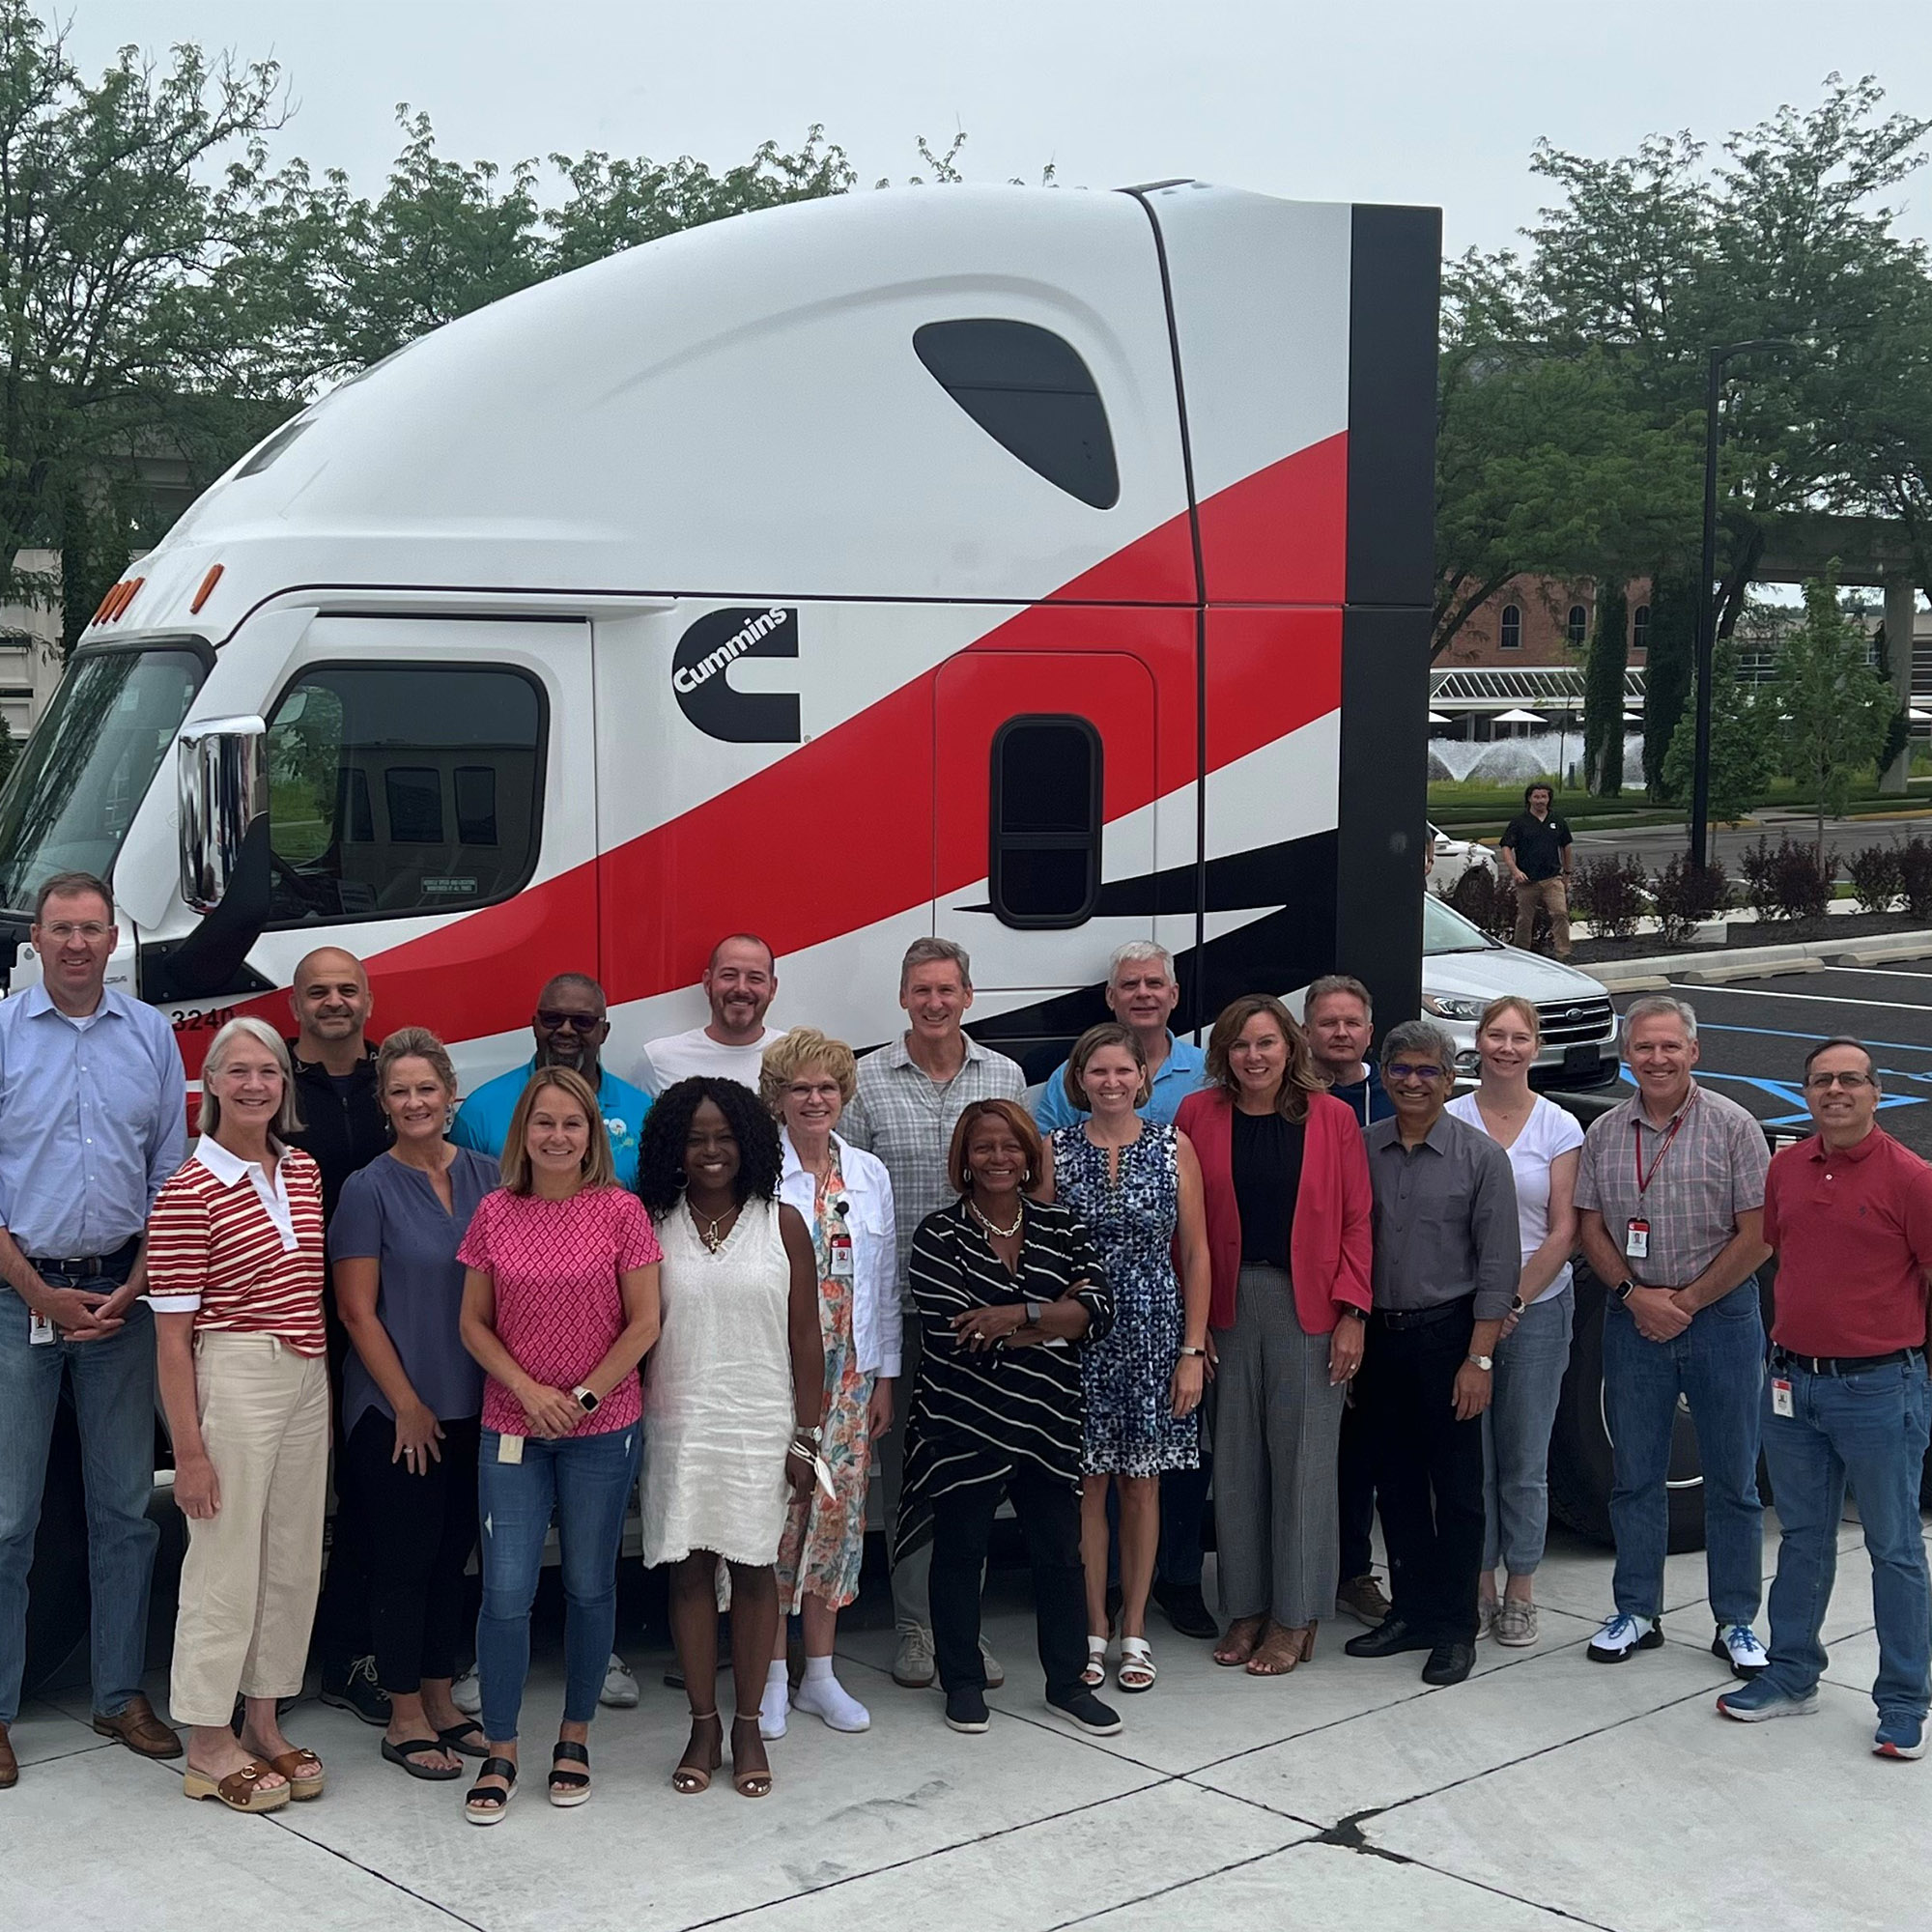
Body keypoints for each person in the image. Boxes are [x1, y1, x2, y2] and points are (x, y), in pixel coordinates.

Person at [0, 872, 187, 1791]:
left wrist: (137, 1285)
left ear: (116, 940)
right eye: (61, 929)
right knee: (7, 1519)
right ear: (35, 939)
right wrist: (36, 1290)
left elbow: (170, 1177)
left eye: (93, 929)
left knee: (123, 1513)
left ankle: (119, 1694)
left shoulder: (151, 1037)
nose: (78, 944)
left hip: (121, 1298)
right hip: (15, 1300)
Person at [455, 1067, 661, 1823]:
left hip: (600, 1428)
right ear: (523, 1132)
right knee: (506, 1591)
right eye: (543, 1122)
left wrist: (580, 1397)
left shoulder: (621, 1212)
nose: (557, 1136)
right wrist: (531, 1391)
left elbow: (643, 1323)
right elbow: (473, 1323)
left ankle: (575, 1734)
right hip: (512, 1425)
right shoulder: (493, 1213)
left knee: (588, 1583)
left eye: (572, 1123)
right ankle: (503, 1747)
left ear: (593, 1135)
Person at [1718, 1037, 1932, 1758]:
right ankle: (1791, 1675)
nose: (1834, 1092)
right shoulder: (1786, 1168)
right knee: (1804, 1538)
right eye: (1820, 1082)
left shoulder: (1912, 1179)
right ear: (1806, 1094)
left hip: (1880, 1390)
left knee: (1895, 1547)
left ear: (1876, 1092)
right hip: (1792, 1386)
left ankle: (1903, 1701)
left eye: (1849, 1080)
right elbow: (1778, 1250)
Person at [148, 1018, 331, 1814]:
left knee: (291, 1553)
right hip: (235, 1371)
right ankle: (205, 1741)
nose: (257, 1084)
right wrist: (189, 1451)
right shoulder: (186, 1192)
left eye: (270, 1071)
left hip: (305, 1372)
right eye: (240, 1071)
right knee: (223, 1561)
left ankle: (262, 1718)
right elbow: (171, 1341)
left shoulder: (305, 1173)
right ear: (211, 1084)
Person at [897, 1099, 1118, 1738]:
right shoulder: (938, 1234)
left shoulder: (1060, 1225)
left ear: (1029, 1156)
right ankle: (961, 1681)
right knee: (961, 1552)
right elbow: (950, 1333)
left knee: (1060, 1554)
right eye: (984, 1147)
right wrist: (1052, 1319)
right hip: (964, 1419)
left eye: (1011, 1146)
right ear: (964, 1158)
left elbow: (1097, 1311)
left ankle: (1067, 1683)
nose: (998, 1158)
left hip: (1049, 1418)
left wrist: (1012, 1318)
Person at [840, 937, 1024, 1692]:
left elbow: (1024, 1181)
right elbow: (840, 1197)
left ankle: (963, 1630)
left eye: (947, 989)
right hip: (904, 1315)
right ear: (903, 998)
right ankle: (915, 1630)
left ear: (968, 997)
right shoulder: (864, 1081)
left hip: (985, 1317)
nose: (935, 1002)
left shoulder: (1005, 1075)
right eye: (921, 990)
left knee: (976, 1478)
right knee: (909, 1479)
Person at [634, 1079, 822, 1799]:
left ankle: (748, 1725)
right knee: (686, 1571)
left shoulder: (784, 1224)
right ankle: (702, 1723)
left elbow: (808, 1339)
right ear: (672, 1148)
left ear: (749, 1141)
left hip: (759, 1421)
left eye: (725, 1136)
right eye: (695, 1137)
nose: (711, 1150)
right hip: (678, 1421)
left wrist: (807, 1436)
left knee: (752, 1572)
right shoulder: (652, 1222)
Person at [1574, 994, 1771, 1678]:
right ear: (1626, 1056)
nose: (1656, 1059)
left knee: (1733, 1480)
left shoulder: (1734, 1126)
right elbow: (1591, 1227)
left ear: (1694, 1052)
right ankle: (1636, 1611)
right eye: (1643, 1047)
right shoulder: (1604, 1133)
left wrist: (1683, 1302)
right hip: (1634, 1324)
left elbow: (1760, 1235)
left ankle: (1738, 1621)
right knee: (1635, 1479)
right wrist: (1635, 1297)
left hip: (1722, 1321)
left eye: (1668, 1047)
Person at [1175, 996, 1372, 1677]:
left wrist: (1354, 1313)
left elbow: (1356, 1220)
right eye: (1239, 1045)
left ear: (1290, 1048)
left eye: (1265, 1043)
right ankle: (1248, 1607)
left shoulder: (1334, 1119)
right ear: (1222, 1055)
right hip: (1227, 1304)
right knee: (1234, 1467)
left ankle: (1296, 1615)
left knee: (1304, 1466)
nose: (1253, 1057)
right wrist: (1195, 1323)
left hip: (1310, 1306)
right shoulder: (1197, 1115)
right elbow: (1186, 1229)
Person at [1032, 944, 1212, 1640]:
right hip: (1082, 1334)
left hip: (1155, 1332)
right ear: (1081, 1080)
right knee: (1088, 1485)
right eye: (1097, 1070)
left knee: (1144, 1483)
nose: (1111, 1081)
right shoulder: (1056, 1151)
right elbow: (1045, 1252)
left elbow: (1194, 1253)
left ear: (1143, 1078)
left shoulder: (1175, 1148)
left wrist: (1192, 1349)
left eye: (1123, 1070)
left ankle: (1136, 1625)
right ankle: (1094, 1625)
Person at [331, 1029, 499, 1778]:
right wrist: (404, 1402)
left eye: (425, 1089)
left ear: (448, 1094)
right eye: (398, 1092)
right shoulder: (367, 1188)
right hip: (397, 1411)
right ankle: (402, 1716)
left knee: (452, 1557)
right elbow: (357, 1311)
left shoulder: (492, 1178)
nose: (413, 1103)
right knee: (403, 1560)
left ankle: (440, 1697)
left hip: (477, 1404)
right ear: (384, 1103)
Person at [1345, 1020, 1519, 1688]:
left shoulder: (1480, 1159)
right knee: (1396, 1485)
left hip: (1450, 1339)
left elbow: (1499, 1268)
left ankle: (1455, 1627)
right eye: (1402, 1069)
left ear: (1450, 1080)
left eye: (1428, 1071)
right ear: (1384, 1075)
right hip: (1380, 1338)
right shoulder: (1361, 1149)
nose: (1413, 1082)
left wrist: (1478, 1361)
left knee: (1458, 1491)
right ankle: (1411, 1613)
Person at [758, 1031, 898, 1739]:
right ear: (778, 1098)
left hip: (851, 1378)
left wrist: (884, 1379)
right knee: (779, 1521)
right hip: (779, 1377)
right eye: (801, 1088)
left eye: (828, 1088)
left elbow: (884, 1281)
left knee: (837, 1524)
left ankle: (820, 1675)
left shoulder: (869, 1172)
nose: (815, 1100)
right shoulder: (760, 1172)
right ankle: (772, 1677)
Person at [1446, 998, 1584, 1647]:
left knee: (1525, 1459)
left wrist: (1511, 1305)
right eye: (1496, 1035)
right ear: (1477, 1042)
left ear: (1536, 1046)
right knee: (1470, 1459)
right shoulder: (1451, 1119)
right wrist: (1480, 1311)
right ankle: (1478, 1583)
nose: (1507, 1047)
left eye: (1519, 1037)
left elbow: (1563, 1231)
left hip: (1538, 1307)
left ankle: (1521, 1588)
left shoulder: (1559, 1126)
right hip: (1462, 1310)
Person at [286, 947, 395, 1728]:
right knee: (285, 1495)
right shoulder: (269, 1082)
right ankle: (272, 1667)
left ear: (367, 1000)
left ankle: (351, 1657)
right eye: (318, 991)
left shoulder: (394, 1081)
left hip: (390, 1317)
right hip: (290, 1315)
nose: (334, 1002)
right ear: (296, 1006)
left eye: (346, 990)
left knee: (368, 1492)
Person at [1301, 973, 1395, 1632]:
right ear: (1307, 1029)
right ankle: (1302, 1570)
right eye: (1327, 1022)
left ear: (1368, 1029)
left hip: (1389, 1297)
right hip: (1311, 1297)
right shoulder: (1289, 1098)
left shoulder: (1398, 1094)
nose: (1339, 1033)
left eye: (1350, 1023)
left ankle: (1353, 1573)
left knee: (1367, 1446)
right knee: (1310, 1446)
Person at [453, 973, 653, 1191]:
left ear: (603, 1032)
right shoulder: (480, 1111)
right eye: (552, 1018)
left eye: (582, 1022)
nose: (566, 1029)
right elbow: (463, 1206)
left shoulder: (644, 1113)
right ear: (535, 1025)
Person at [1032, 943, 1207, 1131]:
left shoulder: (1208, 1070)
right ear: (1110, 997)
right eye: (1130, 985)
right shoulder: (1070, 1075)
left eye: (1154, 983)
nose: (1143, 993)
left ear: (1173, 995)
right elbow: (1044, 1150)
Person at [639, 934, 787, 1091]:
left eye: (755, 978)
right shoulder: (659, 1061)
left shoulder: (796, 1058)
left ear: (772, 988)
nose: (741, 988)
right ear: (708, 983)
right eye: (729, 976)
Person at [1498, 781, 1573, 958]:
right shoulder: (1519, 822)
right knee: (1524, 919)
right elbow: (1506, 847)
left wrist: (1567, 874)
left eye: (1544, 797)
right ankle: (1522, 953)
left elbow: (1566, 846)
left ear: (1549, 799)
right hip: (1527, 881)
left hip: (1552, 879)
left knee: (1560, 913)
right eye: (1536, 797)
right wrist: (1514, 870)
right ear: (1529, 799)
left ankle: (1563, 953)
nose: (1540, 801)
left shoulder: (1557, 821)